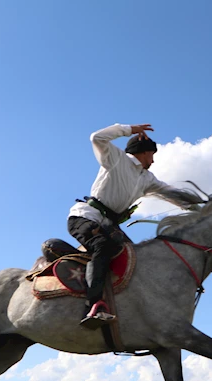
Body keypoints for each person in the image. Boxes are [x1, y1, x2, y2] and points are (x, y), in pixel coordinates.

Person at [67, 123, 202, 329]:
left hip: (108, 224)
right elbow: (96, 137)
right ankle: (93, 305)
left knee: (134, 258)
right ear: (143, 152)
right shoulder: (116, 158)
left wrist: (207, 206)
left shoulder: (147, 178)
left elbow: (172, 194)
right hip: (86, 218)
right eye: (152, 154)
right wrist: (128, 129)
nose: (153, 160)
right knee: (102, 246)